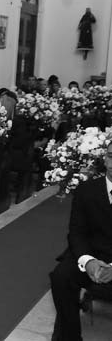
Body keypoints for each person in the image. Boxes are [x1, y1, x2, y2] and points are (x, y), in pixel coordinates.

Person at [49, 142, 112, 341]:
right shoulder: (87, 189)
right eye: (111, 155)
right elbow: (77, 232)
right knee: (61, 277)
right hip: (92, 253)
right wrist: (88, 261)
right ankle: (70, 337)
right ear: (106, 159)